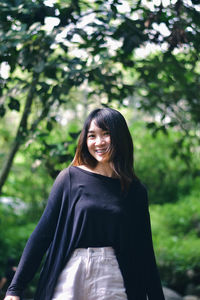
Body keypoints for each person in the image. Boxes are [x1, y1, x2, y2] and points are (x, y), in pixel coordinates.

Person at [4, 107, 165, 300]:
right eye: (92, 136)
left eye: (106, 134)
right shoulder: (69, 178)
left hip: (112, 277)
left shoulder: (135, 191)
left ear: (120, 137)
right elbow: (42, 234)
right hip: (71, 273)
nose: (99, 142)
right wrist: (15, 288)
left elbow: (144, 250)